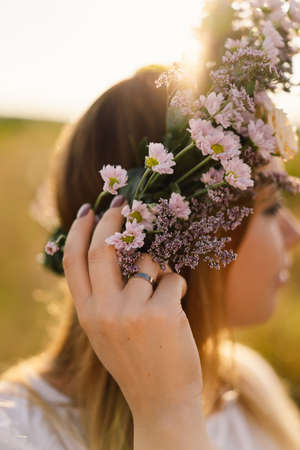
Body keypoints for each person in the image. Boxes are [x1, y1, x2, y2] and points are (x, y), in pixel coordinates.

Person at [1, 67, 300, 450]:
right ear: (182, 239)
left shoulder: (249, 393)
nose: (294, 234)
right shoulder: (16, 431)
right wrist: (168, 417)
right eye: (272, 209)